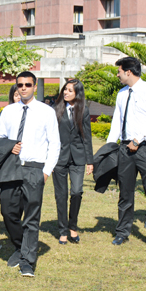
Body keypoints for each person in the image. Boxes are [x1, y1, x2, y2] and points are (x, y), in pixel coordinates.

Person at [0, 71, 59, 277]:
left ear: (35, 85)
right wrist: (7, 146)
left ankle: (28, 261)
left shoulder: (46, 111)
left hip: (34, 168)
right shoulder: (8, 111)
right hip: (11, 167)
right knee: (8, 211)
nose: (23, 88)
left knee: (31, 217)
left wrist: (46, 172)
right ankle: (21, 246)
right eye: (20, 84)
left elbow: (55, 144)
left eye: (27, 84)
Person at [107, 57, 146, 251]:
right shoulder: (122, 94)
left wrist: (138, 140)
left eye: (119, 71)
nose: (117, 75)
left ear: (128, 72)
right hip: (125, 149)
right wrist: (109, 147)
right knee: (125, 193)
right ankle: (122, 232)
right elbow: (117, 122)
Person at [52, 79, 93, 245]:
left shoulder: (84, 111)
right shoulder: (55, 110)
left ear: (78, 93)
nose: (66, 93)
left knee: (76, 192)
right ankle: (63, 230)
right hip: (59, 159)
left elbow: (87, 137)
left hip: (78, 158)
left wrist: (90, 161)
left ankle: (72, 226)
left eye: (70, 90)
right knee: (60, 195)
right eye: (65, 90)